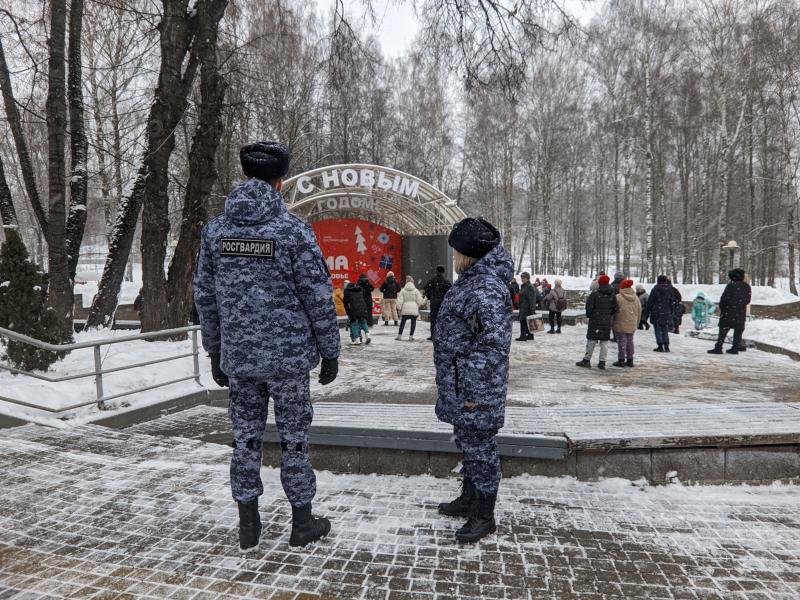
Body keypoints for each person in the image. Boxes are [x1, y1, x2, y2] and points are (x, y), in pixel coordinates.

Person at [193, 142, 340, 552]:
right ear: (281, 182)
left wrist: (215, 350)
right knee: (294, 440)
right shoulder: (292, 231)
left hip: (239, 359)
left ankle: (248, 524)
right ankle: (302, 523)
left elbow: (204, 296)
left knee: (245, 440)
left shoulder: (216, 231)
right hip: (288, 361)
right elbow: (317, 296)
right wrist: (330, 350)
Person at [433, 217, 512, 543]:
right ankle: (469, 498)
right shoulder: (474, 281)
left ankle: (484, 514)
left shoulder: (483, 288)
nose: (453, 257)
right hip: (462, 384)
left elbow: (490, 346)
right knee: (469, 443)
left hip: (473, 388)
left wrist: (475, 394)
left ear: (468, 254)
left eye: (456, 251)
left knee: (480, 448)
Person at [576, 274, 617, 369]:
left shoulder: (595, 294)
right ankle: (602, 362)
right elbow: (614, 308)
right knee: (604, 342)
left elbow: (589, 308)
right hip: (606, 321)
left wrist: (591, 316)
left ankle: (587, 360)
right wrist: (607, 315)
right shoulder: (612, 294)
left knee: (591, 341)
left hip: (595, 320)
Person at [708, 268, 751, 355]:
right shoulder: (747, 287)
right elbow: (747, 300)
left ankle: (718, 347)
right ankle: (735, 348)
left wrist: (722, 306)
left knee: (723, 330)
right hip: (740, 312)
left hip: (729, 312)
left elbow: (724, 298)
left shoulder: (731, 285)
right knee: (738, 331)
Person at [611, 279, 641, 367]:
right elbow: (639, 312)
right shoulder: (636, 298)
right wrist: (637, 323)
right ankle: (630, 359)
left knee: (621, 342)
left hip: (620, 322)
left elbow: (614, 311)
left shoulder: (618, 297)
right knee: (630, 341)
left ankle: (621, 360)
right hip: (632, 323)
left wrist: (612, 323)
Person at [646, 275, 678, 352]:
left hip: (656, 312)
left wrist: (647, 313)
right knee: (665, 329)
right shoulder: (670, 290)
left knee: (658, 329)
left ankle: (660, 345)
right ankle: (666, 345)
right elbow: (672, 302)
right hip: (666, 312)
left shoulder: (655, 290)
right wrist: (672, 312)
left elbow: (650, 302)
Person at [423, 265, 452, 341]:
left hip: (434, 302)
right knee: (442, 319)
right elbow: (450, 293)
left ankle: (433, 335)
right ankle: (442, 335)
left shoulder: (431, 281)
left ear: (436, 271)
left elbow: (426, 291)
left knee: (433, 319)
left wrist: (430, 297)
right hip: (443, 303)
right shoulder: (446, 282)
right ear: (443, 272)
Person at [396, 275, 424, 341]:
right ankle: (411, 337)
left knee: (402, 323)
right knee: (413, 323)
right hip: (414, 309)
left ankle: (399, 336)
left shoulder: (403, 290)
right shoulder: (416, 290)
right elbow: (419, 301)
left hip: (405, 309)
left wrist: (399, 308)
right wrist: (420, 303)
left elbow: (400, 300)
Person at [343, 280, 371, 345]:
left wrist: (348, 313)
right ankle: (368, 336)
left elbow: (345, 303)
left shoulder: (346, 291)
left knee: (354, 323)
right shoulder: (359, 290)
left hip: (354, 309)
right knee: (363, 322)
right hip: (363, 308)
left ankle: (357, 339)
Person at [517, 272, 536, 341]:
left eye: (524, 278)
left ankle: (523, 336)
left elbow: (532, 299)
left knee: (524, 322)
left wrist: (532, 309)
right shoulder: (523, 286)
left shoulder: (530, 287)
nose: (522, 279)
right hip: (523, 307)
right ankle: (530, 335)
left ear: (528, 278)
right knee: (526, 321)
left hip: (527, 308)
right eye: (522, 278)